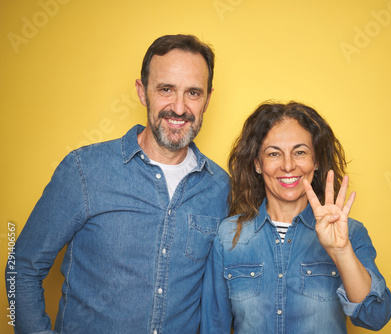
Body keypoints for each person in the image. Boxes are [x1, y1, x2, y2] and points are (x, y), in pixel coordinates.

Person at [8, 34, 230, 334]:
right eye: (166, 89)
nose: (179, 108)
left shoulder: (221, 189)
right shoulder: (85, 170)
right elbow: (21, 268)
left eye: (193, 93)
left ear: (207, 98)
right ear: (142, 92)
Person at [200, 102, 391, 333]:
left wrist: (342, 252)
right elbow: (214, 326)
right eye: (274, 153)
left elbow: (375, 317)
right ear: (257, 164)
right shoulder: (228, 235)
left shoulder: (350, 233)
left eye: (300, 152)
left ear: (317, 161)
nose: (288, 165)